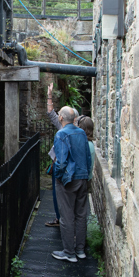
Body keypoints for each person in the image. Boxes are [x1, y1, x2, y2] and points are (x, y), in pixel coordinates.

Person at [51, 106, 92, 263]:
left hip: (68, 180)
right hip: (83, 177)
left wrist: (59, 178)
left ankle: (69, 252)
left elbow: (61, 162)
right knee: (81, 215)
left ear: (61, 117)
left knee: (66, 216)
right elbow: (87, 156)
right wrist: (86, 176)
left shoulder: (61, 134)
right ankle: (80, 250)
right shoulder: (81, 132)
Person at [45, 83, 79, 228]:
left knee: (66, 195)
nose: (58, 116)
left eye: (60, 115)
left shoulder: (77, 131)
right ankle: (60, 218)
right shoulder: (62, 126)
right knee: (57, 194)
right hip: (61, 166)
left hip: (68, 168)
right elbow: (50, 112)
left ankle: (66, 221)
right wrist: (49, 95)